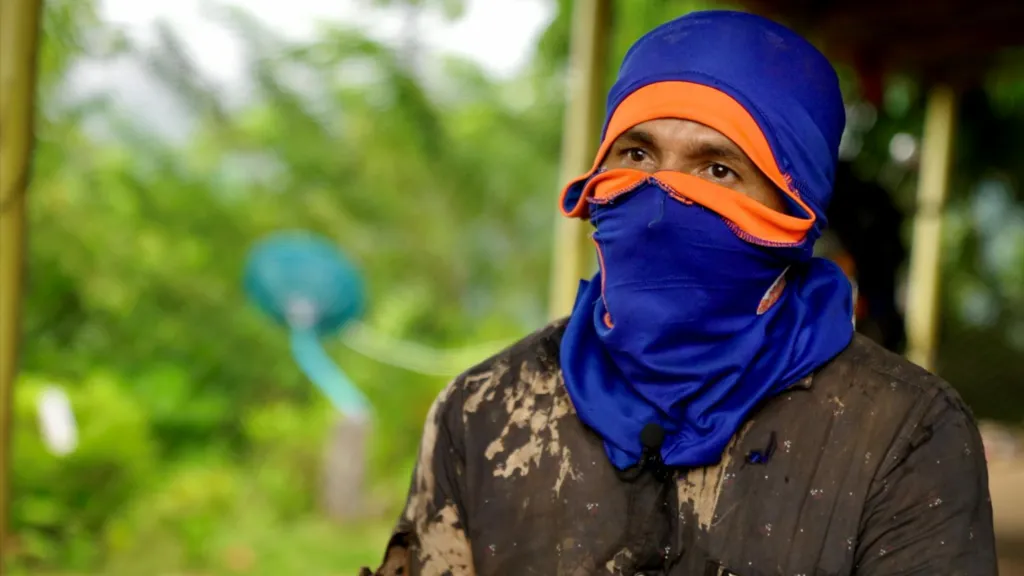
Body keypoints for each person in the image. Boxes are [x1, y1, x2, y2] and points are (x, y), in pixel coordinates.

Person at [362, 10, 996, 576]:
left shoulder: (902, 432)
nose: (661, 200)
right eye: (637, 155)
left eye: (718, 169)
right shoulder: (484, 412)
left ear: (795, 210)